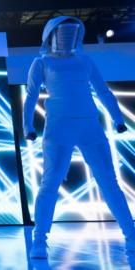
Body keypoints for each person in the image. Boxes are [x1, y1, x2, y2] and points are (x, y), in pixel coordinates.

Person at [23, 15, 135, 259]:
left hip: (89, 126)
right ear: (51, 36)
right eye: (63, 34)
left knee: (109, 182)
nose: (67, 38)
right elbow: (31, 96)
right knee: (50, 184)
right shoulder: (41, 64)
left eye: (72, 33)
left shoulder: (85, 61)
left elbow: (103, 91)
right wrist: (27, 126)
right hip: (58, 128)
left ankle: (131, 235)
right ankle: (39, 239)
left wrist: (118, 119)